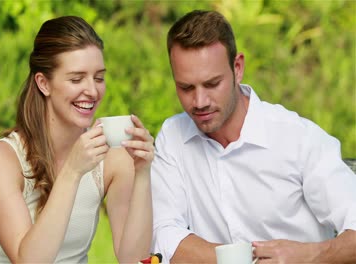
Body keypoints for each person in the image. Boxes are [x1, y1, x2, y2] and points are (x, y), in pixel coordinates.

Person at [150, 10, 356, 264]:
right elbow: (164, 232)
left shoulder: (298, 138)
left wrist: (307, 255)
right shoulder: (172, 137)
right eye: (186, 88)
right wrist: (239, 259)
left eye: (212, 84)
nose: (200, 101)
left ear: (237, 68)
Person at [0, 16, 154, 264]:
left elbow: (133, 258)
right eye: (76, 79)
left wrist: (143, 172)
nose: (92, 91)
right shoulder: (4, 159)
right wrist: (72, 171)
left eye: (99, 78)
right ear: (44, 83)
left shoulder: (111, 156)